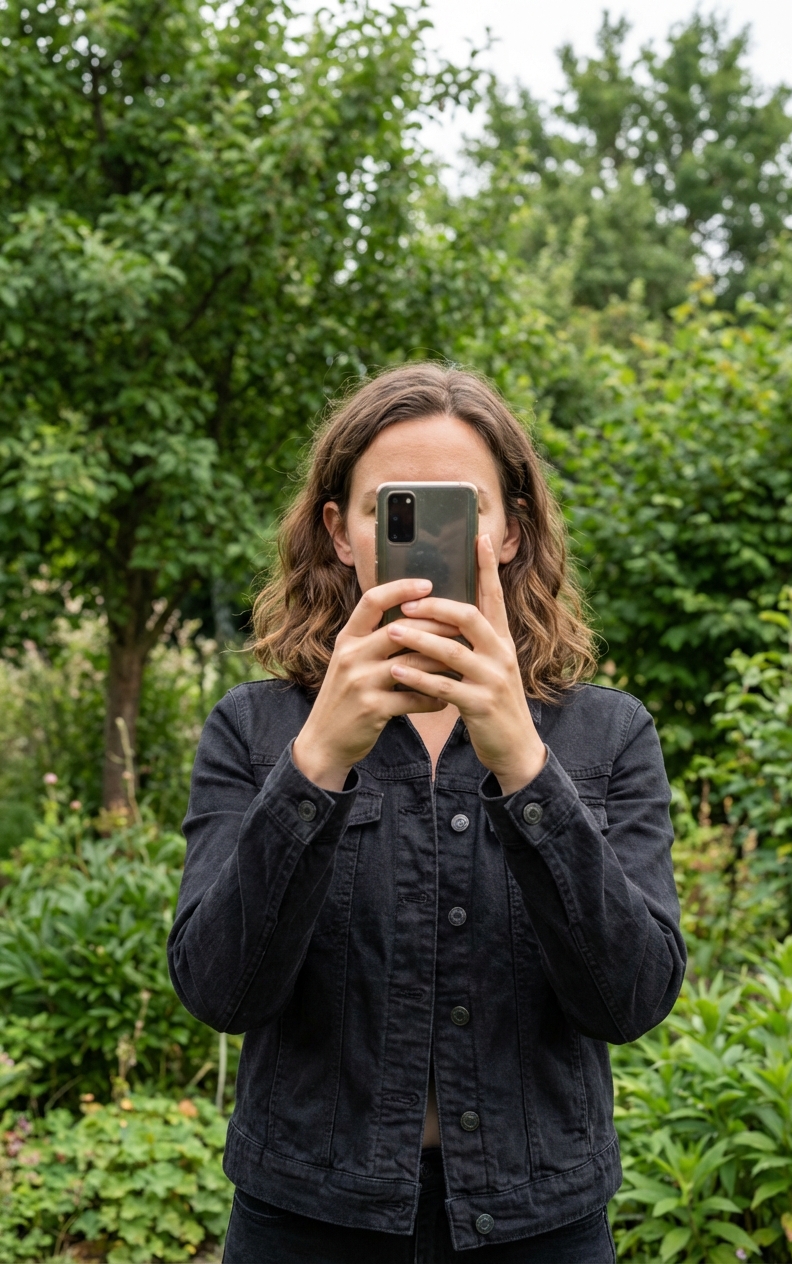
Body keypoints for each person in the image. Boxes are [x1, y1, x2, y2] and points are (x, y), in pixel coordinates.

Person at [167, 364, 686, 1263]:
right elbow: (219, 991)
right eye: (393, 506)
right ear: (340, 532)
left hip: (541, 1227)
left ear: (511, 531)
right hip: (306, 1223)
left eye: (463, 507)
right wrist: (317, 763)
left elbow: (631, 999)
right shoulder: (255, 730)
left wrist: (524, 764)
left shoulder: (607, 731)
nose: (427, 534)